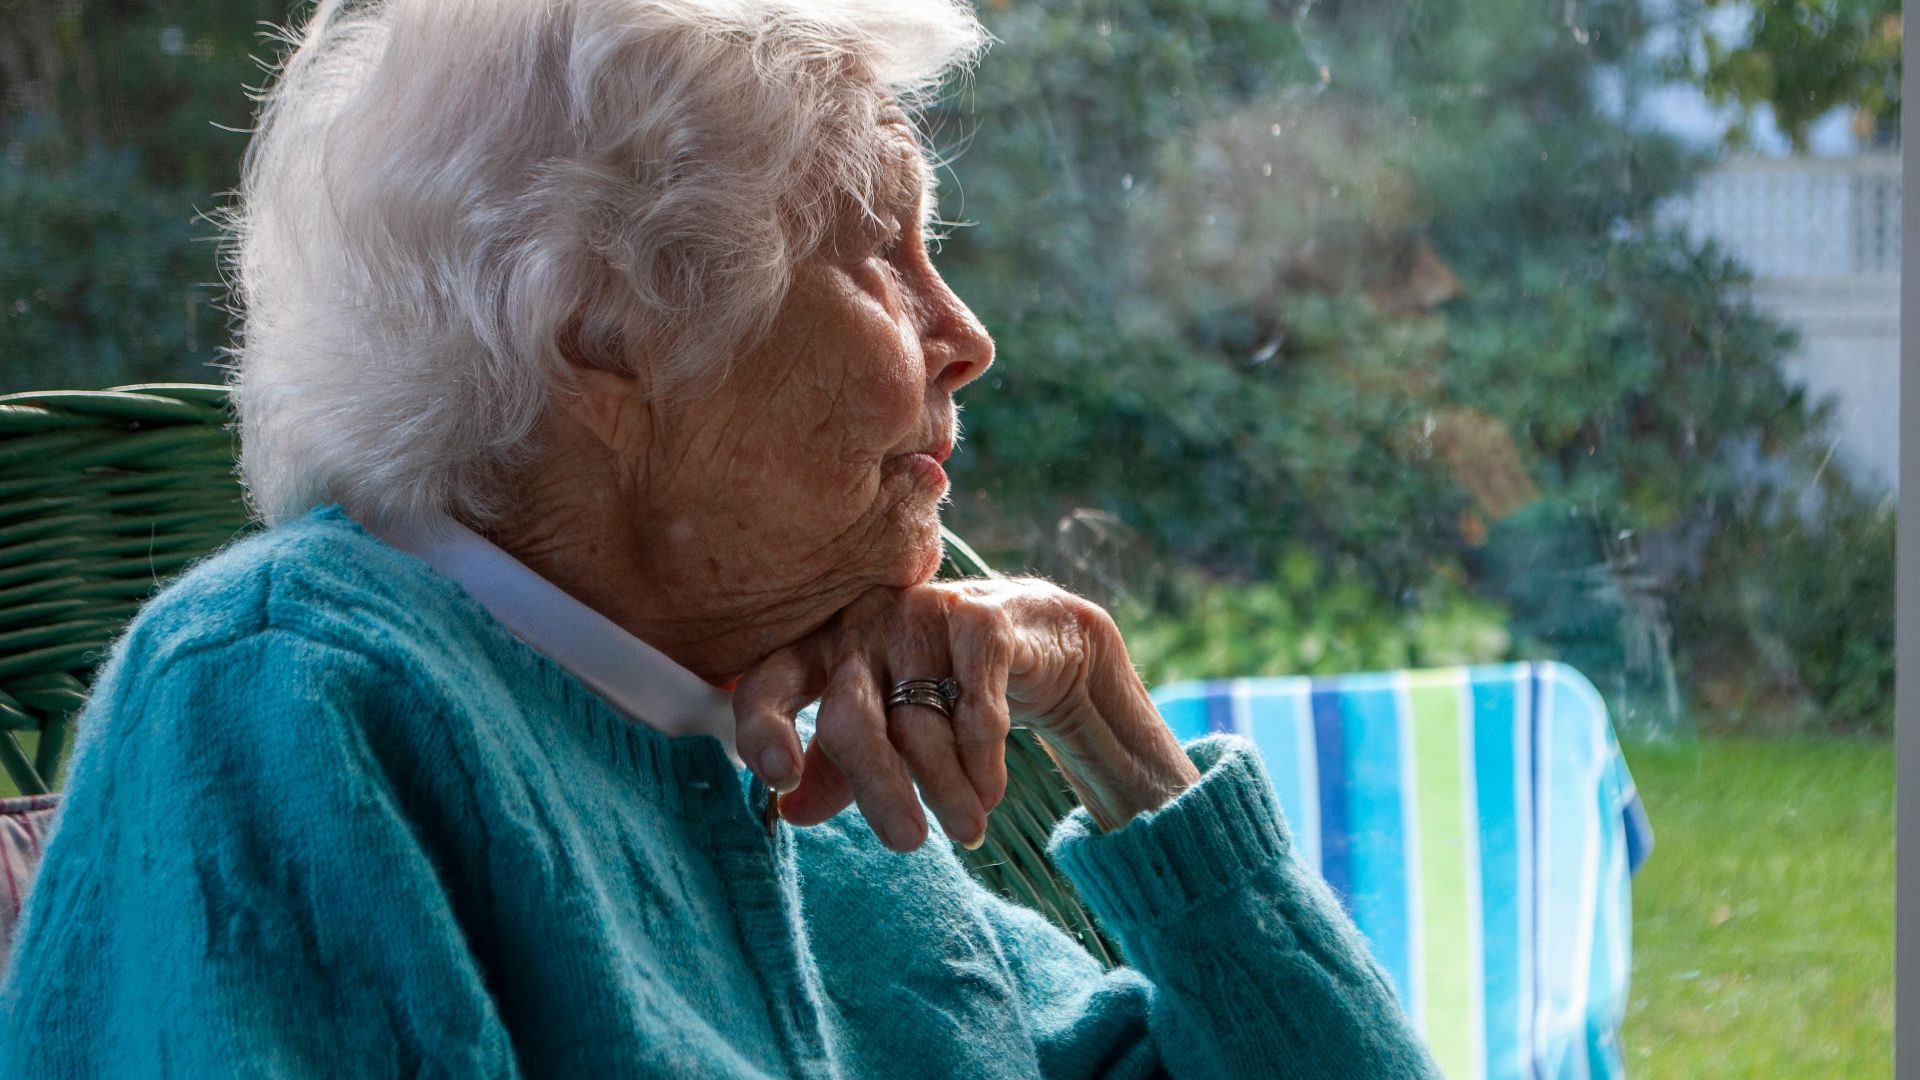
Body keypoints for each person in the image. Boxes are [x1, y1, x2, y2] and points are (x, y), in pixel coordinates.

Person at [0, 1, 1441, 1076]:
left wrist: (1112, 721)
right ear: (605, 330)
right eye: (879, 252)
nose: (968, 338)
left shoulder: (815, 787)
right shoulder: (285, 702)